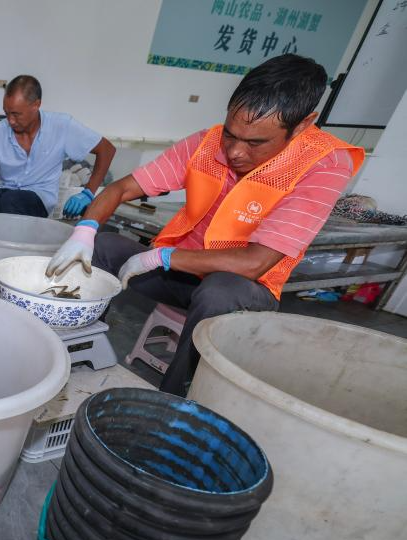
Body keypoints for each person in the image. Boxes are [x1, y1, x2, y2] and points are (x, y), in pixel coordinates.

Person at [46, 54, 364, 396]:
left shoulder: (324, 163)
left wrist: (161, 257)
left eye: (255, 143)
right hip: (182, 274)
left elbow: (255, 263)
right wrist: (85, 231)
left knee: (218, 292)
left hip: (243, 289)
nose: (235, 151)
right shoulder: (207, 142)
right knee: (103, 247)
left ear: (302, 125)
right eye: (230, 134)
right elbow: (122, 188)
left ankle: (174, 402)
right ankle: (67, 349)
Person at [0, 75, 115, 218]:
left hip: (39, 197)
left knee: (11, 201)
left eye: (16, 114)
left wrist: (88, 193)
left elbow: (107, 150)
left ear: (36, 105)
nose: (10, 121)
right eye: (7, 113)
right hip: (5, 193)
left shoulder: (61, 126)